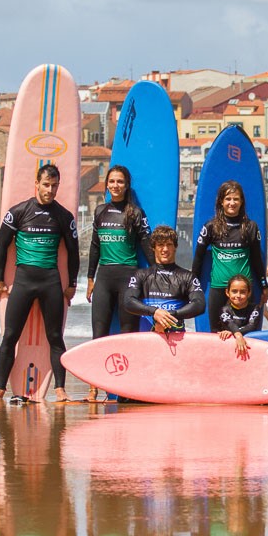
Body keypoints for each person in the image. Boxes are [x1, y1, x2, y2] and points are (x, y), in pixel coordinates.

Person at [0, 163, 79, 403]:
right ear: (36, 183)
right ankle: (0, 389)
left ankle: (60, 389)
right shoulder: (18, 212)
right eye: (46, 185)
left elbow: (73, 253)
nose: (50, 190)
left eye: (54, 186)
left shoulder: (63, 216)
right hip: (23, 282)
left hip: (51, 281)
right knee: (10, 336)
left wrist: (72, 283)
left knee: (55, 337)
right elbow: (1, 246)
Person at [84, 165, 152, 399]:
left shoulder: (136, 213)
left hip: (128, 277)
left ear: (127, 185)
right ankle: (94, 385)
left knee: (126, 334)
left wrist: (155, 275)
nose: (115, 186)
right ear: (107, 185)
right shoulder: (100, 211)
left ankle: (124, 387)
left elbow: (147, 245)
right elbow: (95, 246)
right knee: (99, 333)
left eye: (120, 182)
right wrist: (90, 278)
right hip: (104, 277)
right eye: (112, 182)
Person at [192, 180, 268, 332]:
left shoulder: (250, 227)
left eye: (236, 199)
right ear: (221, 201)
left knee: (248, 335)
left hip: (243, 290)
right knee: (216, 334)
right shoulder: (211, 227)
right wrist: (192, 286)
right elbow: (199, 257)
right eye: (228, 199)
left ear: (241, 202)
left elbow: (257, 259)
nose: (232, 203)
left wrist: (264, 286)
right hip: (219, 289)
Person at [122, 225, 205, 333]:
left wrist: (170, 315)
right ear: (153, 248)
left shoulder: (187, 276)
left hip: (176, 340)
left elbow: (200, 304)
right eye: (160, 245)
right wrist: (154, 312)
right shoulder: (141, 275)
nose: (165, 249)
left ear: (175, 247)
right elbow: (128, 301)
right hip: (147, 340)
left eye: (169, 245)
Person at [217, 274, 264, 357]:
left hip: (250, 349)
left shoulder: (254, 309)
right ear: (227, 292)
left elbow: (251, 326)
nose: (238, 296)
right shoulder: (224, 310)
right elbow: (230, 324)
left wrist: (234, 333)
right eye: (234, 291)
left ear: (249, 293)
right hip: (227, 350)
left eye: (242, 292)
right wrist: (237, 334)